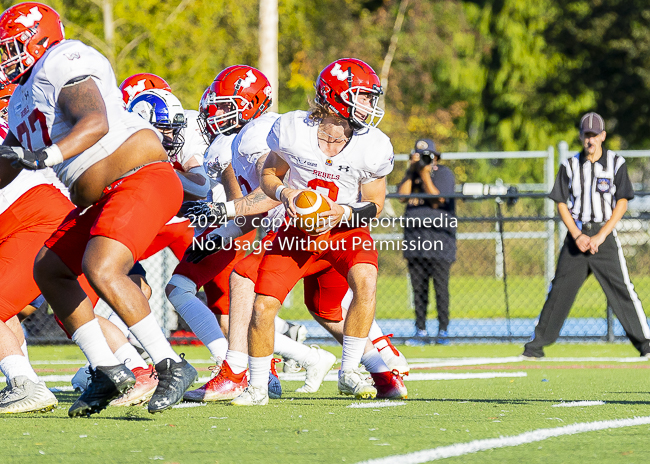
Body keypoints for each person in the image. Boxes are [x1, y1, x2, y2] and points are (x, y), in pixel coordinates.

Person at [0, 2, 196, 417]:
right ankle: (108, 370)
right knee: (48, 268)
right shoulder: (20, 96)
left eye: (12, 46)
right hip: (104, 195)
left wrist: (45, 155)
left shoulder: (62, 59)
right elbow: (7, 165)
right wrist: (23, 157)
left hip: (141, 175)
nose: (6, 56)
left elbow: (95, 121)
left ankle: (169, 364)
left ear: (39, 38)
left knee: (102, 266)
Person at [229, 58, 406, 405]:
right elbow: (270, 177)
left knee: (366, 279)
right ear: (336, 97)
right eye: (363, 97)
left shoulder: (372, 145)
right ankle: (257, 388)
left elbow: (375, 205)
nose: (370, 106)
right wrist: (286, 194)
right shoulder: (293, 129)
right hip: (294, 231)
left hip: (344, 229)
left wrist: (340, 211)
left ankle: (350, 371)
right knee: (263, 308)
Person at [523, 112, 650, 358]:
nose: (590, 140)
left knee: (623, 289)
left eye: (594, 135)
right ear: (581, 136)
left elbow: (622, 202)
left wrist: (601, 236)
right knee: (559, 290)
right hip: (577, 237)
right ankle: (535, 347)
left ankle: (645, 344)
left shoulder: (616, 163)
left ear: (603, 136)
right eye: (586, 135)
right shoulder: (570, 165)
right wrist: (577, 234)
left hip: (604, 235)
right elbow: (560, 202)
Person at [397, 138, 456, 345]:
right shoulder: (411, 175)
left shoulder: (444, 174)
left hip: (440, 240)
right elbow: (402, 196)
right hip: (415, 240)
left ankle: (443, 330)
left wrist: (425, 174)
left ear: (436, 157)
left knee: (441, 288)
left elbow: (438, 200)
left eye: (428, 156)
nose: (424, 160)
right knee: (419, 290)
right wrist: (413, 171)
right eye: (419, 155)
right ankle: (420, 329)